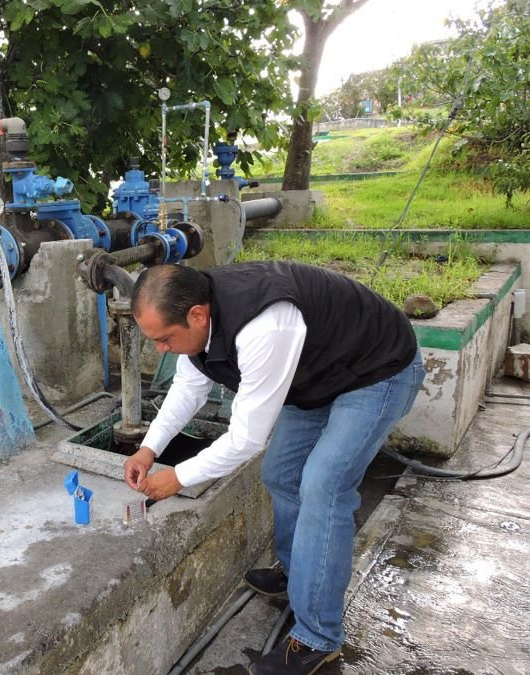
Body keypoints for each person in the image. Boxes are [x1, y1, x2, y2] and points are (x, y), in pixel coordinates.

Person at [123, 261, 425, 675]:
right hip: (315, 377)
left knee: (324, 486)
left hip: (376, 372)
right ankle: (297, 573)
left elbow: (247, 437)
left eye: (164, 339)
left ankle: (317, 637)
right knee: (281, 473)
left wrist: (178, 477)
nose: (160, 349)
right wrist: (148, 449)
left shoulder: (264, 325)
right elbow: (188, 388)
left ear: (197, 314)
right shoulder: (197, 317)